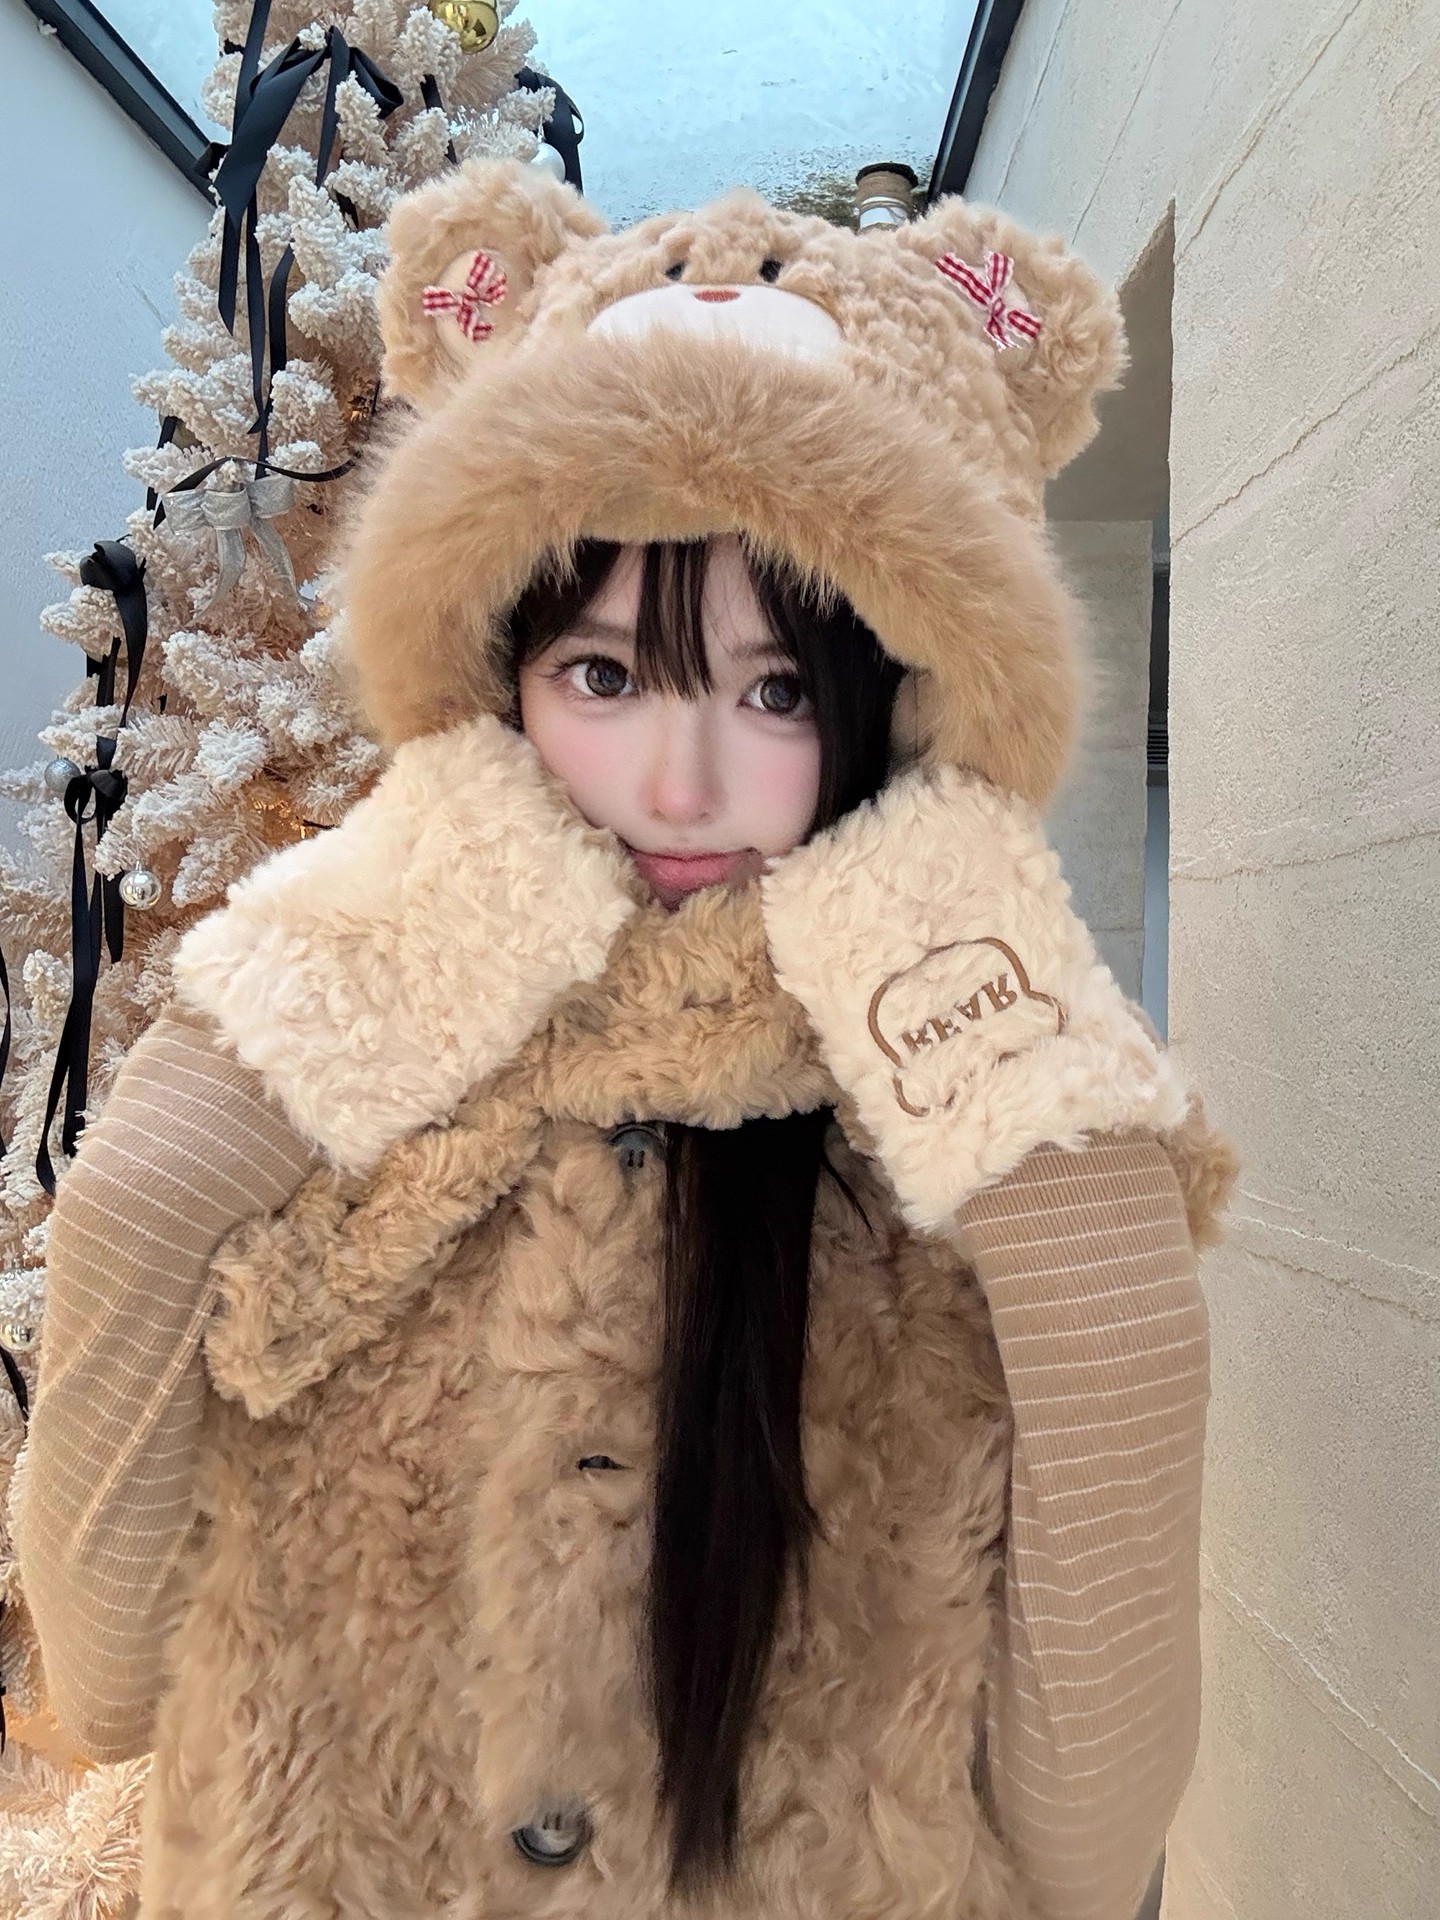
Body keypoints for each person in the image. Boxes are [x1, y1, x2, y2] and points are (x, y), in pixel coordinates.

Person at [13, 161, 1236, 1920]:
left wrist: (1051, 1137)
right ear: (496, 667)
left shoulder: (957, 1102)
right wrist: (256, 1047)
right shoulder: (368, 1035)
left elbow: (1085, 1802)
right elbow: (112, 1642)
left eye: (776, 689)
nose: (677, 783)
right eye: (602, 675)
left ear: (905, 704)